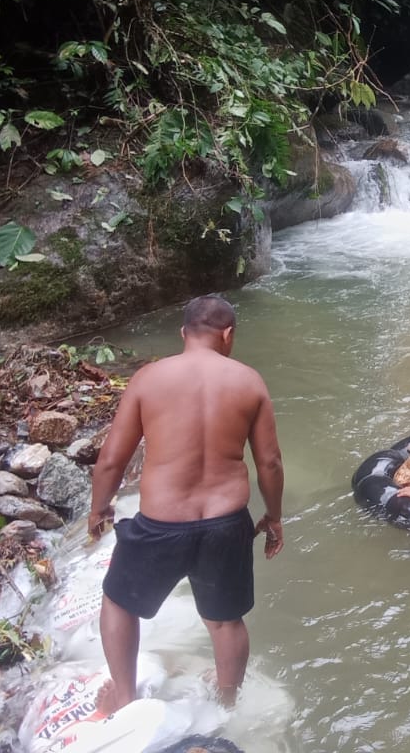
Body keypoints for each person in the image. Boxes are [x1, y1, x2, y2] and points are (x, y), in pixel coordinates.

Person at [88, 295, 285, 713]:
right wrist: (273, 515)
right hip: (225, 521)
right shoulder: (249, 381)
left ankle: (125, 700)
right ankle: (226, 702)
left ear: (183, 333)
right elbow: (269, 461)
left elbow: (111, 460)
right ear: (228, 335)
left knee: (120, 603)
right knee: (225, 619)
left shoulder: (148, 378)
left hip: (160, 523)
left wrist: (99, 508)